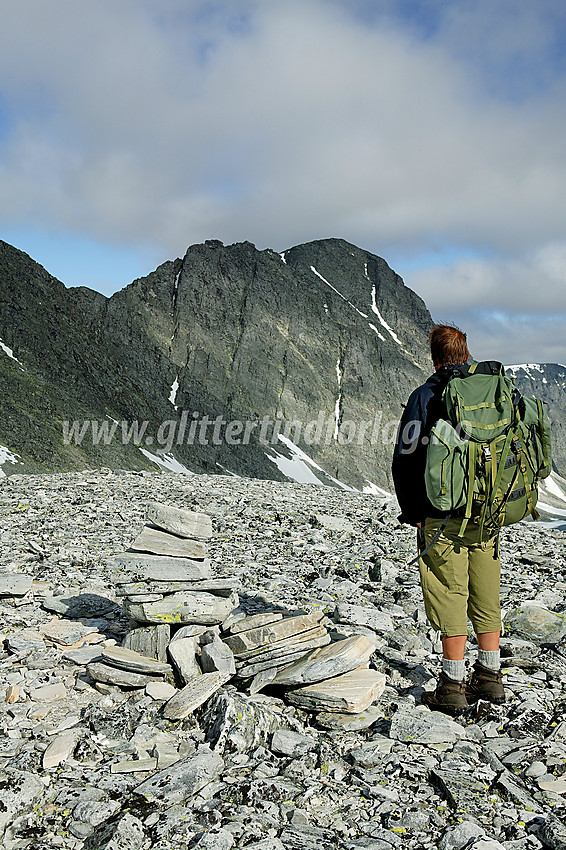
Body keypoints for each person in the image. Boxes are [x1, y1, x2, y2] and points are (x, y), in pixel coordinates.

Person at [392, 324, 505, 715]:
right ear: (466, 352)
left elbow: (406, 457)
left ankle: (452, 684)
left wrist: (413, 512)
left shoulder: (426, 395)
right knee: (486, 590)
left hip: (442, 515)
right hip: (487, 510)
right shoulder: (492, 391)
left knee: (448, 591)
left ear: (435, 357)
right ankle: (490, 677)